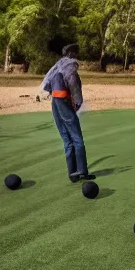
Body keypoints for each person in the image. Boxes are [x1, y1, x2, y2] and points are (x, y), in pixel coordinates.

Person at [40, 43, 96, 182]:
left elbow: (46, 84)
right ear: (71, 53)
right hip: (64, 101)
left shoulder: (57, 65)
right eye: (75, 52)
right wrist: (78, 102)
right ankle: (82, 172)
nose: (76, 55)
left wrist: (54, 93)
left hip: (55, 101)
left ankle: (72, 173)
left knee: (66, 138)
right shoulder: (70, 65)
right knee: (77, 138)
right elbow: (74, 84)